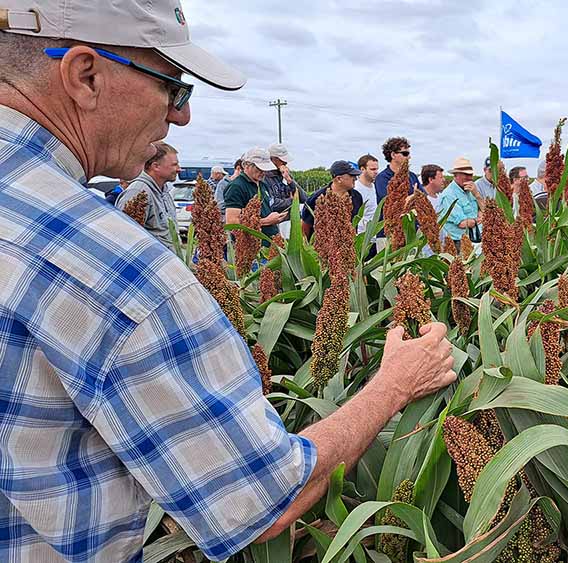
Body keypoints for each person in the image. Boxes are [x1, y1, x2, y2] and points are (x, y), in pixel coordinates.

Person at [0, 3, 456, 561]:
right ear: (85, 75)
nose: (182, 118)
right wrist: (395, 385)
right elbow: (263, 498)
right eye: (173, 87)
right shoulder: (112, 271)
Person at [115, 142, 181, 250]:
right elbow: (124, 237)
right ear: (156, 166)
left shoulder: (165, 193)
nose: (179, 169)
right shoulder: (138, 191)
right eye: (174, 165)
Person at [224, 147, 287, 245]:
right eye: (259, 168)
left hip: (269, 245)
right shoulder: (236, 187)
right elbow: (232, 222)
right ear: (246, 165)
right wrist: (266, 221)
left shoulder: (262, 184)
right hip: (251, 247)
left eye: (265, 168)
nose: (263, 172)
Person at [302, 160, 365, 239]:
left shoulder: (357, 197)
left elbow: (355, 224)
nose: (355, 179)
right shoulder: (317, 198)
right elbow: (305, 226)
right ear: (339, 179)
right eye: (352, 175)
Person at [439, 157, 482, 250]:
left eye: (470, 175)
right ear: (455, 175)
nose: (469, 178)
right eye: (465, 175)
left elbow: (484, 210)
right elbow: (462, 224)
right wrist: (478, 220)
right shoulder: (449, 195)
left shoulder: (471, 191)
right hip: (456, 243)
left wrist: (477, 194)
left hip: (473, 240)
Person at [264, 143, 305, 238]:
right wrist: (292, 201)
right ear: (273, 159)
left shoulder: (285, 175)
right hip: (274, 225)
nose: (286, 163)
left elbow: (304, 198)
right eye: (282, 160)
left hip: (290, 223)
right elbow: (272, 203)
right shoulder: (264, 178)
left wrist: (289, 180)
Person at [355, 154, 380, 233]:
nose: (376, 172)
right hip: (361, 236)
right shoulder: (356, 189)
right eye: (372, 169)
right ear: (362, 169)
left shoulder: (374, 186)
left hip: (373, 235)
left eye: (377, 169)